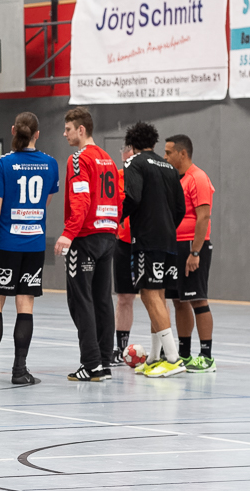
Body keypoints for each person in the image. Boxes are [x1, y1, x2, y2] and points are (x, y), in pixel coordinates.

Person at [0, 112, 59, 386]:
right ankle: (20, 371)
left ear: (13, 131)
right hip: (34, 244)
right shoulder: (50, 164)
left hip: (6, 244)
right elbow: (45, 201)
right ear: (37, 134)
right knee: (25, 305)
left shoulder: (3, 164)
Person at [54, 107, 120, 382]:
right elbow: (118, 198)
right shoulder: (108, 159)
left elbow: (80, 199)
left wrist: (68, 233)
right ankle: (104, 361)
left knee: (80, 300)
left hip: (85, 238)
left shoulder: (79, 159)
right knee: (103, 300)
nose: (65, 134)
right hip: (108, 237)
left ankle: (91, 364)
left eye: (68, 129)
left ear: (81, 130)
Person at [121, 121, 186, 379]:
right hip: (168, 239)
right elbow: (180, 208)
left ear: (132, 145)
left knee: (149, 294)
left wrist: (117, 217)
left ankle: (173, 358)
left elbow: (132, 196)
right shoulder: (168, 167)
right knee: (158, 296)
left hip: (147, 239)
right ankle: (154, 357)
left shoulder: (134, 163)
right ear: (154, 142)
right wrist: (167, 228)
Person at [163, 134, 216, 373]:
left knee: (198, 300)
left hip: (192, 247)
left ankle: (206, 357)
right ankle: (184, 354)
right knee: (178, 301)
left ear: (182, 153)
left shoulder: (198, 177)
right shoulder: (176, 179)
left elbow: (203, 216)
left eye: (169, 152)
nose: (165, 157)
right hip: (175, 246)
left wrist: (195, 252)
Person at [111, 142, 136, 366]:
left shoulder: (150, 176)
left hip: (146, 244)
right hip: (123, 243)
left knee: (156, 296)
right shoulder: (116, 177)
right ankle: (120, 348)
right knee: (124, 297)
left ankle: (162, 348)